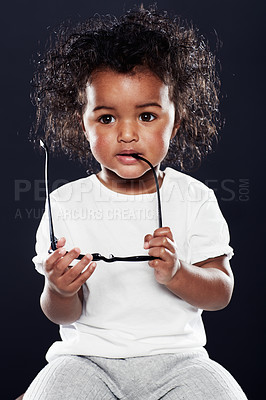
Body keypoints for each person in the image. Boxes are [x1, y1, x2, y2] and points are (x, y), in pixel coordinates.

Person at [23, 4, 247, 399]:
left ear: (174, 123)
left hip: (180, 360)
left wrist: (179, 272)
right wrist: (59, 290)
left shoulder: (194, 198)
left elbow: (221, 291)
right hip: (84, 361)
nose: (127, 135)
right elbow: (63, 314)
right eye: (107, 119)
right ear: (84, 124)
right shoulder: (65, 203)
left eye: (146, 116)